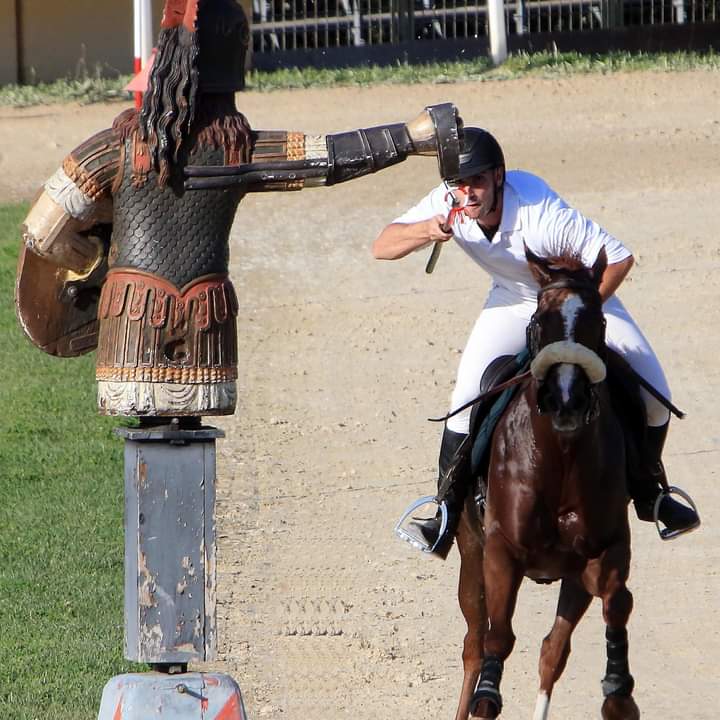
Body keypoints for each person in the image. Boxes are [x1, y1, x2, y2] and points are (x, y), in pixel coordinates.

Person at [16, 0, 461, 421]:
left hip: (130, 331)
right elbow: (327, 158)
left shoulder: (114, 147)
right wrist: (412, 136)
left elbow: (43, 232)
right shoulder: (238, 149)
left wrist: (92, 260)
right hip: (206, 328)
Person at [373, 126, 700, 558]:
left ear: (499, 177)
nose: (466, 193)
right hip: (511, 301)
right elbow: (382, 246)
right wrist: (425, 230)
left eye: (476, 182)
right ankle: (444, 512)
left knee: (656, 396)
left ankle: (651, 495)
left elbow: (620, 258)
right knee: (467, 395)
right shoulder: (449, 201)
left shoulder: (542, 214)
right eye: (458, 183)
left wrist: (578, 312)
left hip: (574, 295)